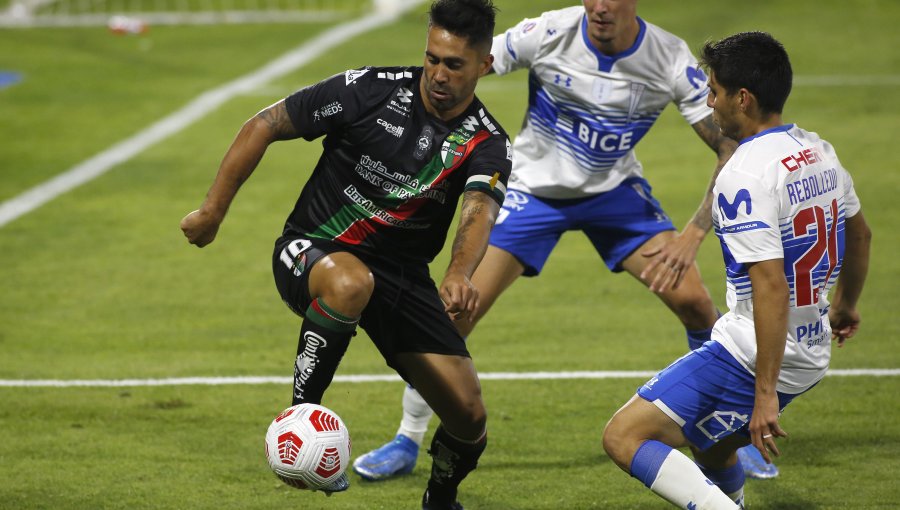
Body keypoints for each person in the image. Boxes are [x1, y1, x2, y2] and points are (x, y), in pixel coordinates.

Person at [352, 0, 784, 483]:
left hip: (614, 195)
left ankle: (724, 435)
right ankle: (407, 438)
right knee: (455, 313)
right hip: (533, 192)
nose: (599, 7)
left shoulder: (666, 56)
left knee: (696, 303)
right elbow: (469, 62)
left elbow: (730, 145)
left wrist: (694, 232)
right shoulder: (549, 32)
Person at [180, 1, 512, 508]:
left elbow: (478, 211)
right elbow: (266, 123)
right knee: (350, 283)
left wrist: (460, 273)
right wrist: (212, 212)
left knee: (468, 415)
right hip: (313, 249)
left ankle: (440, 500)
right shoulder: (369, 89)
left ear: (484, 65)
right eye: (432, 59)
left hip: (401, 275)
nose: (438, 74)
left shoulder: (486, 142)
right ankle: (298, 421)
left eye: (454, 64)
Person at [601, 31, 871, 509]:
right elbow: (861, 235)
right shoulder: (819, 152)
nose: (709, 103)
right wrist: (845, 306)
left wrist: (764, 394)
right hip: (810, 350)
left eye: (714, 92)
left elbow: (768, 285)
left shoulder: (744, 173)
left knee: (625, 436)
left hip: (754, 354)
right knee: (711, 447)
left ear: (742, 98)